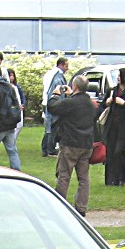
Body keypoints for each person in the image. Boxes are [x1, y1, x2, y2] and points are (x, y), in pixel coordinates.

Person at [49, 74, 96, 216]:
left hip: (70, 143)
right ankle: (81, 207)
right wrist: (71, 95)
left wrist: (55, 95)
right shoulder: (90, 104)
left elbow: (53, 107)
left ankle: (59, 204)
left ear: (74, 86)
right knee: (83, 178)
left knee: (64, 175)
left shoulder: (71, 103)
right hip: (86, 144)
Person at [102, 66, 125, 185]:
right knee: (110, 152)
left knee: (119, 152)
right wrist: (107, 102)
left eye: (120, 75)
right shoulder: (113, 90)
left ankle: (121, 177)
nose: (118, 78)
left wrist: (124, 103)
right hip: (112, 126)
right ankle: (110, 179)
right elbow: (103, 105)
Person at [41, 57, 69, 157]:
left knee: (49, 127)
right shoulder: (58, 77)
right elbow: (58, 92)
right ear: (61, 65)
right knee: (53, 127)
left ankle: (45, 149)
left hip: (47, 102)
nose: (67, 68)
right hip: (54, 104)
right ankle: (50, 150)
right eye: (66, 66)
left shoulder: (50, 73)